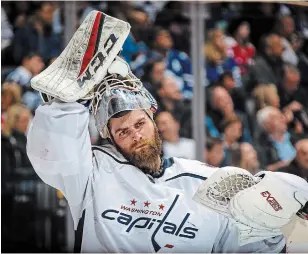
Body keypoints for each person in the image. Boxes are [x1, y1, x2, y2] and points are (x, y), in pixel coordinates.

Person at [26, 11, 289, 253]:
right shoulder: (93, 172)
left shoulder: (206, 181)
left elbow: (242, 244)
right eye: (122, 132)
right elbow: (52, 155)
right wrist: (66, 100)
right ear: (111, 139)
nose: (135, 136)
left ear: (154, 119)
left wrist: (272, 227)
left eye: (139, 124)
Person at [256, 106, 296, 171]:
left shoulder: (296, 137)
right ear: (267, 124)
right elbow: (261, 170)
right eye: (278, 118)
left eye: (282, 116)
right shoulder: (261, 146)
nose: (283, 119)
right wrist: (280, 165)